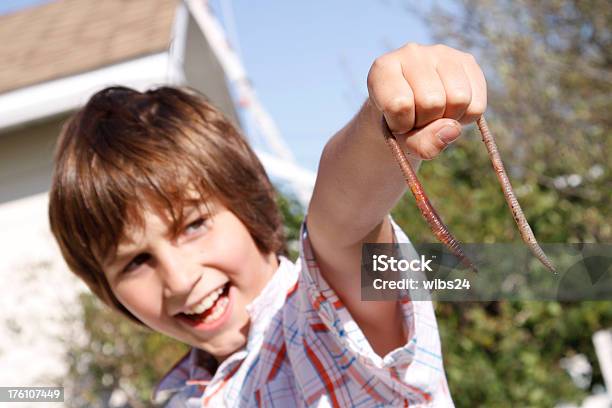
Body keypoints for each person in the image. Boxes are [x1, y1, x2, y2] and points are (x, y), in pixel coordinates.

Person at [48, 43, 486, 407]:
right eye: (135, 262)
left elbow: (343, 229)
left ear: (249, 205)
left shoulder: (312, 321)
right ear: (107, 289)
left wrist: (381, 124)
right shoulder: (180, 397)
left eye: (194, 225)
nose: (179, 279)